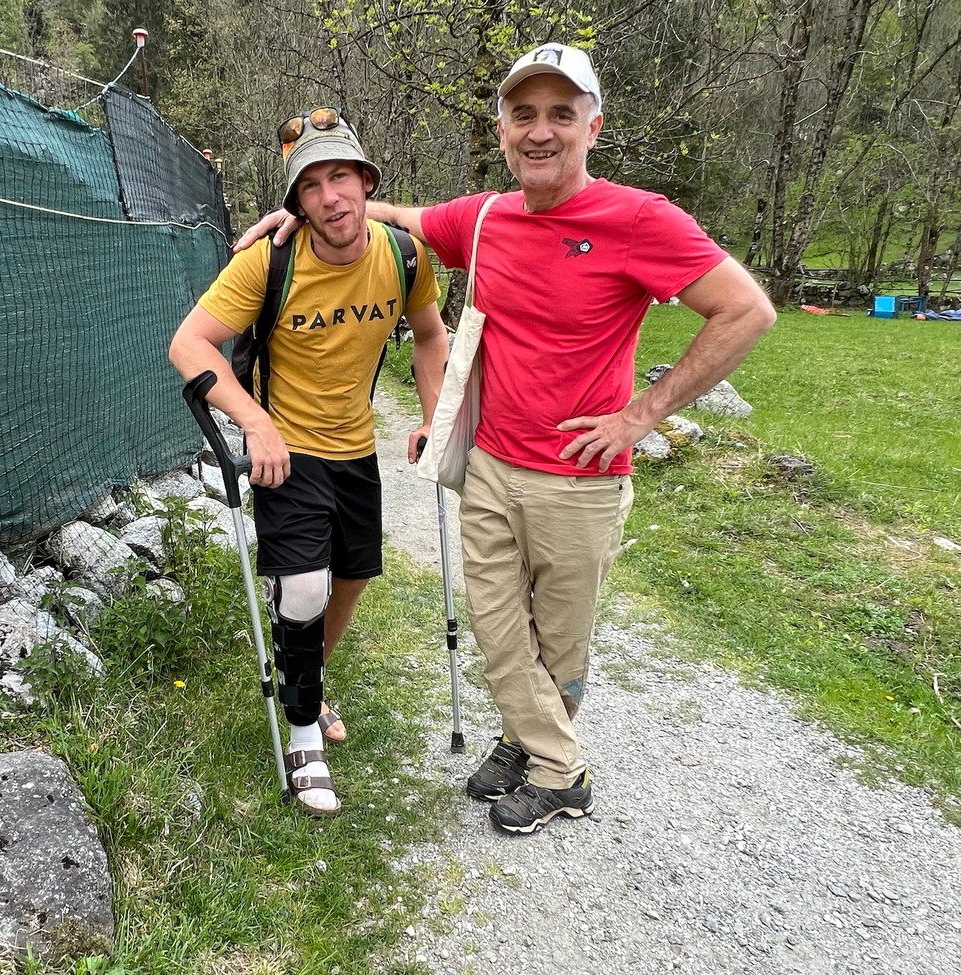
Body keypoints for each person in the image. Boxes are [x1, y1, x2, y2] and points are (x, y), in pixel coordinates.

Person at [236, 44, 775, 834]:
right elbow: (397, 217)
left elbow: (747, 310)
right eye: (525, 115)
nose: (542, 132)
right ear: (502, 131)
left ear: (594, 125)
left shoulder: (639, 218)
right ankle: (544, 754)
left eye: (562, 114)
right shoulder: (487, 218)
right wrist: (310, 206)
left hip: (581, 477)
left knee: (558, 639)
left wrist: (641, 414)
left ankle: (551, 763)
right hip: (489, 464)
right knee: (499, 632)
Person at [169, 108, 447, 817]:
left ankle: (309, 675)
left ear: (365, 179)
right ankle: (301, 734)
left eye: (342, 175)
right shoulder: (268, 260)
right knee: (303, 587)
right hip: (286, 451)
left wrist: (431, 414)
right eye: (313, 184)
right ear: (296, 201)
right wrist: (254, 422)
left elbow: (427, 332)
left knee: (349, 579)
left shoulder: (406, 255)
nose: (332, 196)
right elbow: (189, 344)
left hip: (356, 447)